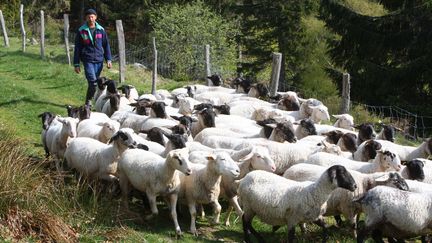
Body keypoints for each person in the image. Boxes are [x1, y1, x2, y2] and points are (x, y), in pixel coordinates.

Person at [73, 8, 112, 106]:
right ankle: (88, 102)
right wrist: (76, 63)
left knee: (95, 83)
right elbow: (77, 48)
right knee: (93, 83)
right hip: (88, 60)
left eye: (92, 16)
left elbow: (106, 45)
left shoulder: (101, 30)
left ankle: (93, 101)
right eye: (88, 17)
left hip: (99, 60)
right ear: (86, 18)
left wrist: (108, 59)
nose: (91, 18)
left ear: (95, 17)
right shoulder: (81, 31)